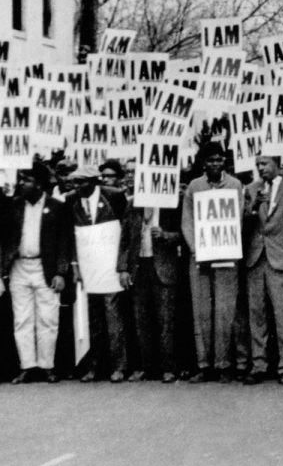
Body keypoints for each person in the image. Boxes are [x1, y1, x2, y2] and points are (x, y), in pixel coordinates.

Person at [242, 155, 283, 385]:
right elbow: (241, 222)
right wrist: (253, 207)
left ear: (277, 165)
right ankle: (259, 364)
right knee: (257, 315)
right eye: (258, 165)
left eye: (265, 164)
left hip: (281, 258)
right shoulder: (251, 189)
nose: (260, 168)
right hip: (256, 258)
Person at [181, 142, 244, 383]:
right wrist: (195, 248)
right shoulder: (194, 186)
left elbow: (237, 218)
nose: (215, 164)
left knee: (225, 309)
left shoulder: (235, 185)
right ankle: (204, 364)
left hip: (226, 253)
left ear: (224, 162)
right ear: (204, 163)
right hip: (200, 255)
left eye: (219, 159)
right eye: (211, 160)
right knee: (202, 310)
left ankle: (223, 363)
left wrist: (226, 245)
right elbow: (187, 221)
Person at [3, 163, 70, 383]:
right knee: (22, 319)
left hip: (45, 268)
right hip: (19, 267)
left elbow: (64, 242)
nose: (22, 183)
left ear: (39, 184)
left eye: (27, 180)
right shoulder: (13, 205)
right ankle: (27, 365)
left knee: (48, 318)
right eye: (21, 179)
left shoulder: (57, 207)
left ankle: (47, 365)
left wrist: (60, 272)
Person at [66, 165, 131, 383]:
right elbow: (72, 237)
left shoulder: (115, 197)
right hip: (88, 268)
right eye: (74, 182)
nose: (76, 186)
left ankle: (119, 367)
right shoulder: (72, 200)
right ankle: (94, 367)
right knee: (92, 321)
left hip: (110, 266)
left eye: (80, 182)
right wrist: (75, 266)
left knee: (113, 319)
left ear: (94, 181)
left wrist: (122, 265)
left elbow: (125, 232)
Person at [124, 200, 183, 383]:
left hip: (163, 267)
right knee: (141, 320)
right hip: (139, 266)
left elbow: (184, 233)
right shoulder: (133, 204)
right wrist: (123, 268)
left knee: (165, 320)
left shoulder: (171, 202)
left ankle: (168, 368)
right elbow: (125, 238)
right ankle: (145, 367)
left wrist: (165, 235)